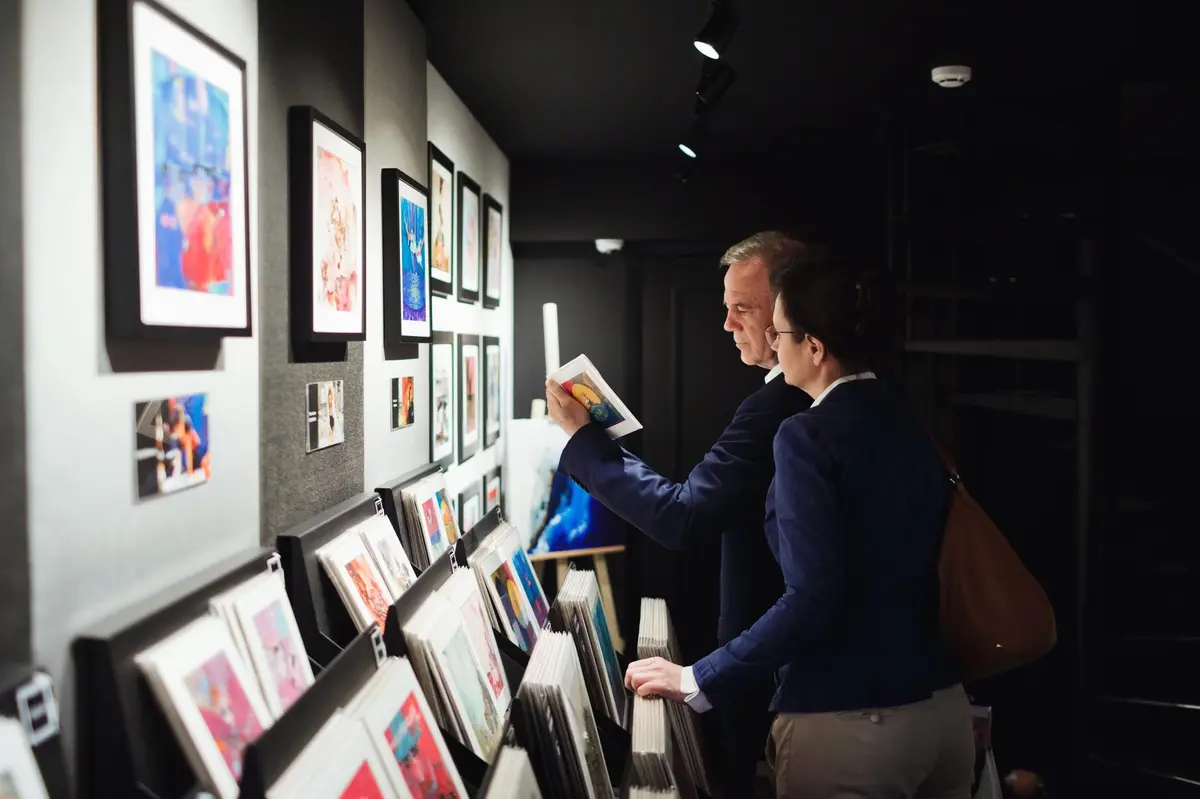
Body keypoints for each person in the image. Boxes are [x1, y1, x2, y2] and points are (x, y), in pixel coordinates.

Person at [624, 250, 975, 798]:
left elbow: (814, 599)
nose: (772, 346)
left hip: (852, 724)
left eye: (780, 333)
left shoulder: (805, 434)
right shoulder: (905, 412)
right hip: (946, 714)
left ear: (813, 346)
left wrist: (697, 677)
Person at [544, 231, 812, 796]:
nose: (727, 324)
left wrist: (583, 440)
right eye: (727, 307)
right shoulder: (804, 400)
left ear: (791, 309)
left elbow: (682, 518)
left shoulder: (778, 406)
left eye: (744, 309)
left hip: (781, 677)